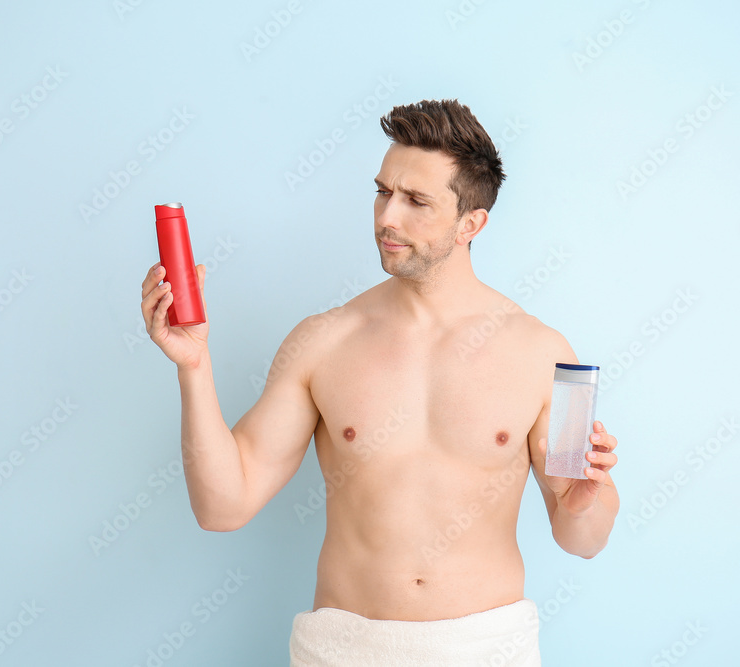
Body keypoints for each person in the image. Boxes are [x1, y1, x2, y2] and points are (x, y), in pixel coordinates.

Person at [140, 99, 620, 666]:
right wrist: (193, 367)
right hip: (345, 651)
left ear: (473, 222)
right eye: (382, 192)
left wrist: (585, 502)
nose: (387, 217)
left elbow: (581, 540)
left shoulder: (542, 353)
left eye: (416, 201)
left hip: (485, 650)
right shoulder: (323, 341)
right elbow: (222, 507)